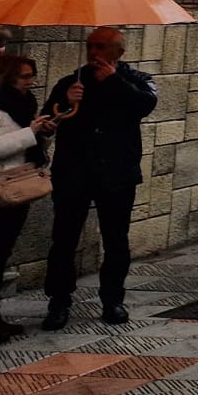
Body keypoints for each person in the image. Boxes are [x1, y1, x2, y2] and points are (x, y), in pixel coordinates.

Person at [41, 28, 159, 328]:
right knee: (64, 239)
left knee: (116, 240)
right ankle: (58, 301)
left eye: (102, 47)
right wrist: (66, 102)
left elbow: (144, 105)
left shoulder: (136, 81)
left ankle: (112, 300)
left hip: (117, 173)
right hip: (74, 173)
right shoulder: (72, 81)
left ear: (118, 52)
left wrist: (114, 82)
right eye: (90, 46)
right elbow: (47, 121)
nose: (94, 53)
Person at [0, 56, 55, 341]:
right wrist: (31, 132)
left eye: (32, 75)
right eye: (24, 76)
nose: (30, 81)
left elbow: (31, 146)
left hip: (18, 187)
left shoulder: (25, 103)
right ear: (7, 77)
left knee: (1, 255)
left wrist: (44, 133)